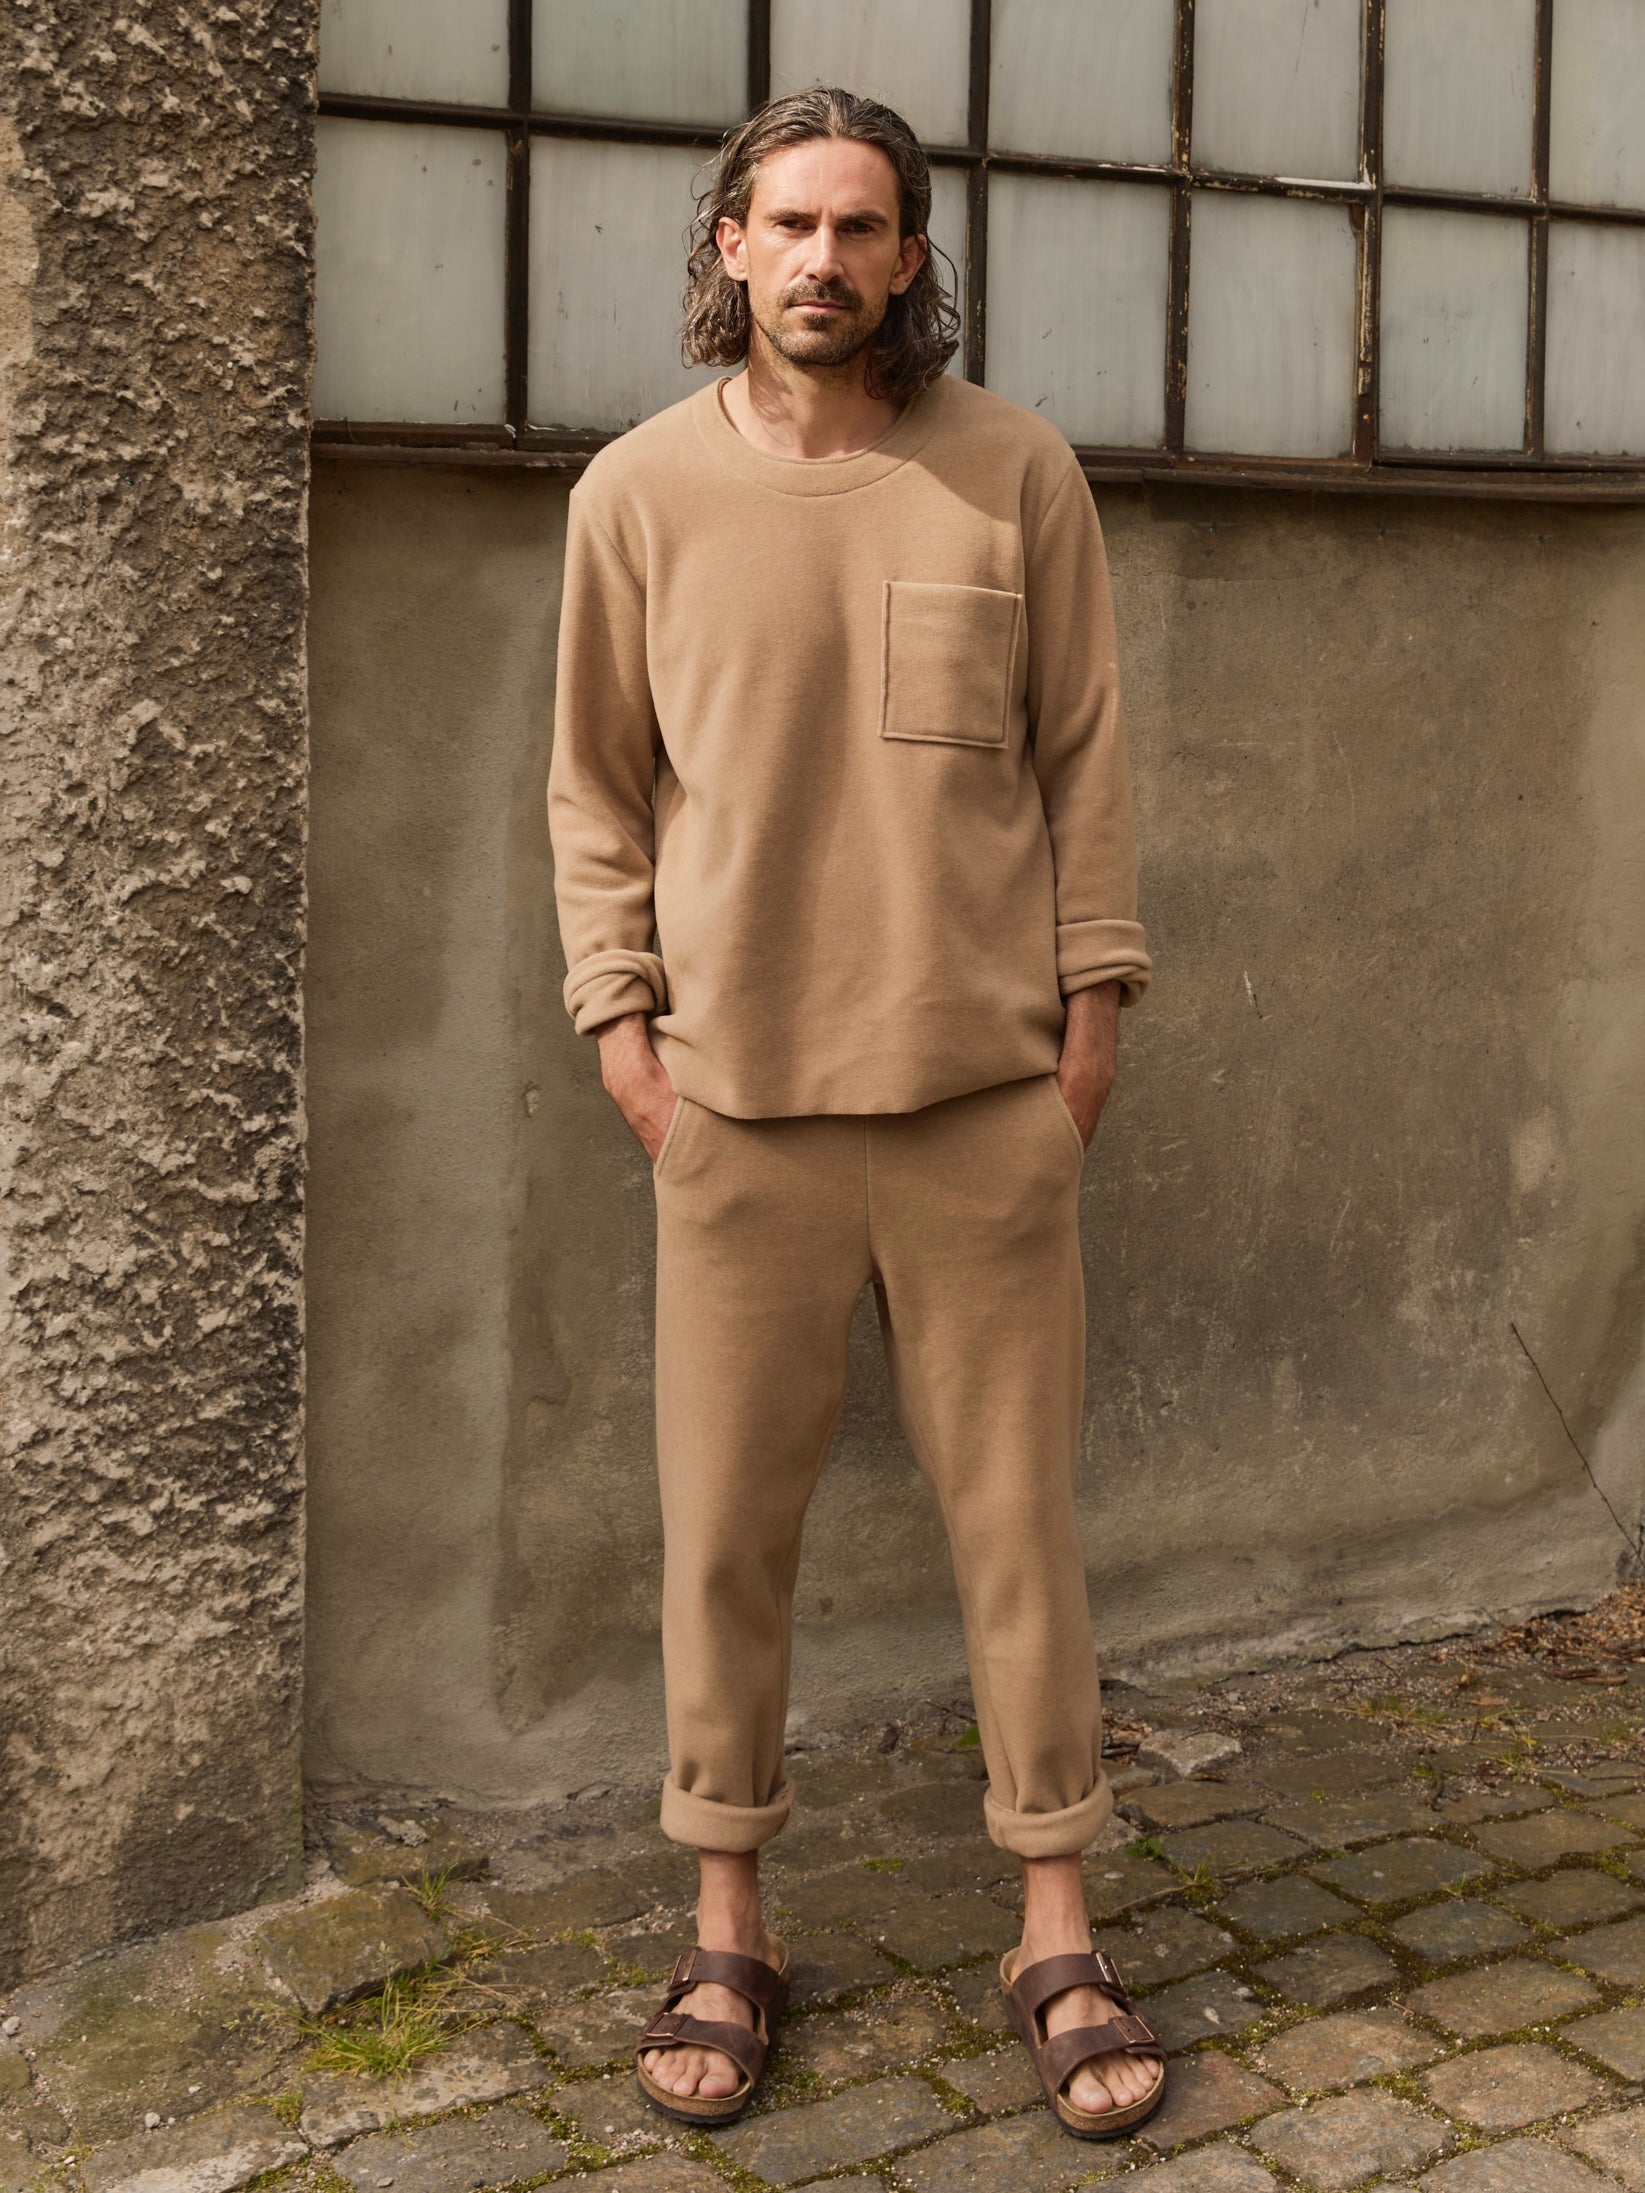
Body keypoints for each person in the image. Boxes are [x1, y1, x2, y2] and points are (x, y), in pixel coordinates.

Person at [546, 85, 1161, 2140]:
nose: (824, 259)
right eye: (789, 223)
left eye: (862, 226)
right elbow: (594, 789)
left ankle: (1053, 1923)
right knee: (725, 1536)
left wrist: (1088, 1025)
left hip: (984, 1103)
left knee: (1020, 1532)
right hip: (734, 1114)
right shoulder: (636, 495)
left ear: (910, 258)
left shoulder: (1012, 472)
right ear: (730, 245)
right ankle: (730, 1923)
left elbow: (1083, 757)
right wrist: (627, 1038)